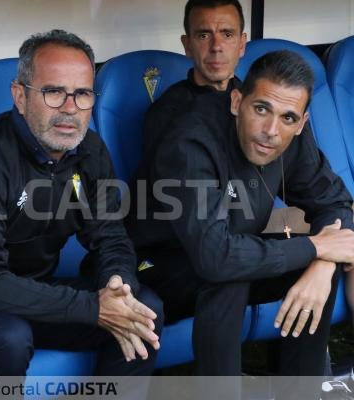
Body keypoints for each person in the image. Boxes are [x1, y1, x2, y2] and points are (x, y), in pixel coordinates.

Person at [0, 29, 163, 377]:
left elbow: (110, 236)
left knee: (142, 309)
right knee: (7, 336)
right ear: (20, 96)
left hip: (27, 299)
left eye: (82, 94)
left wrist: (119, 286)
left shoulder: (89, 150)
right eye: (54, 92)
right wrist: (91, 307)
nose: (70, 109)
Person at [126, 50, 354, 385]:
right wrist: (316, 248)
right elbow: (215, 258)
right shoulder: (189, 141)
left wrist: (320, 264)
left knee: (304, 266)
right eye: (261, 109)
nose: (271, 130)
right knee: (229, 276)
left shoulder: (291, 136)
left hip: (229, 247)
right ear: (236, 102)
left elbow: (336, 203)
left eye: (288, 118)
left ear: (302, 122)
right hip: (153, 266)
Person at [142, 0, 247, 153]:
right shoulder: (167, 115)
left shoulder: (258, 101)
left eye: (227, 34)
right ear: (187, 45)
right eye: (203, 35)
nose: (216, 47)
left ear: (242, 45)